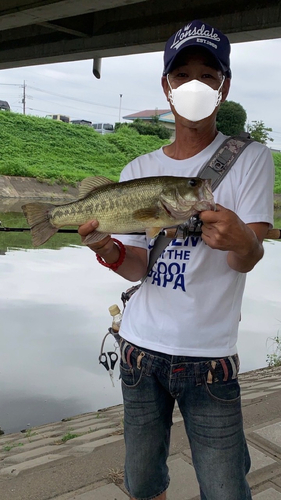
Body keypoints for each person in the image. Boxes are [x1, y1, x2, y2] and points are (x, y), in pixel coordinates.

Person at [78, 19, 274, 500]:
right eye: (182, 74)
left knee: (225, 489)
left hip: (209, 360)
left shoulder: (249, 159)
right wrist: (106, 248)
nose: (195, 85)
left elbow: (245, 260)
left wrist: (242, 241)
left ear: (223, 88)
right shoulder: (138, 170)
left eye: (208, 76)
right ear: (167, 86)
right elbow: (139, 267)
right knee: (143, 482)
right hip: (139, 351)